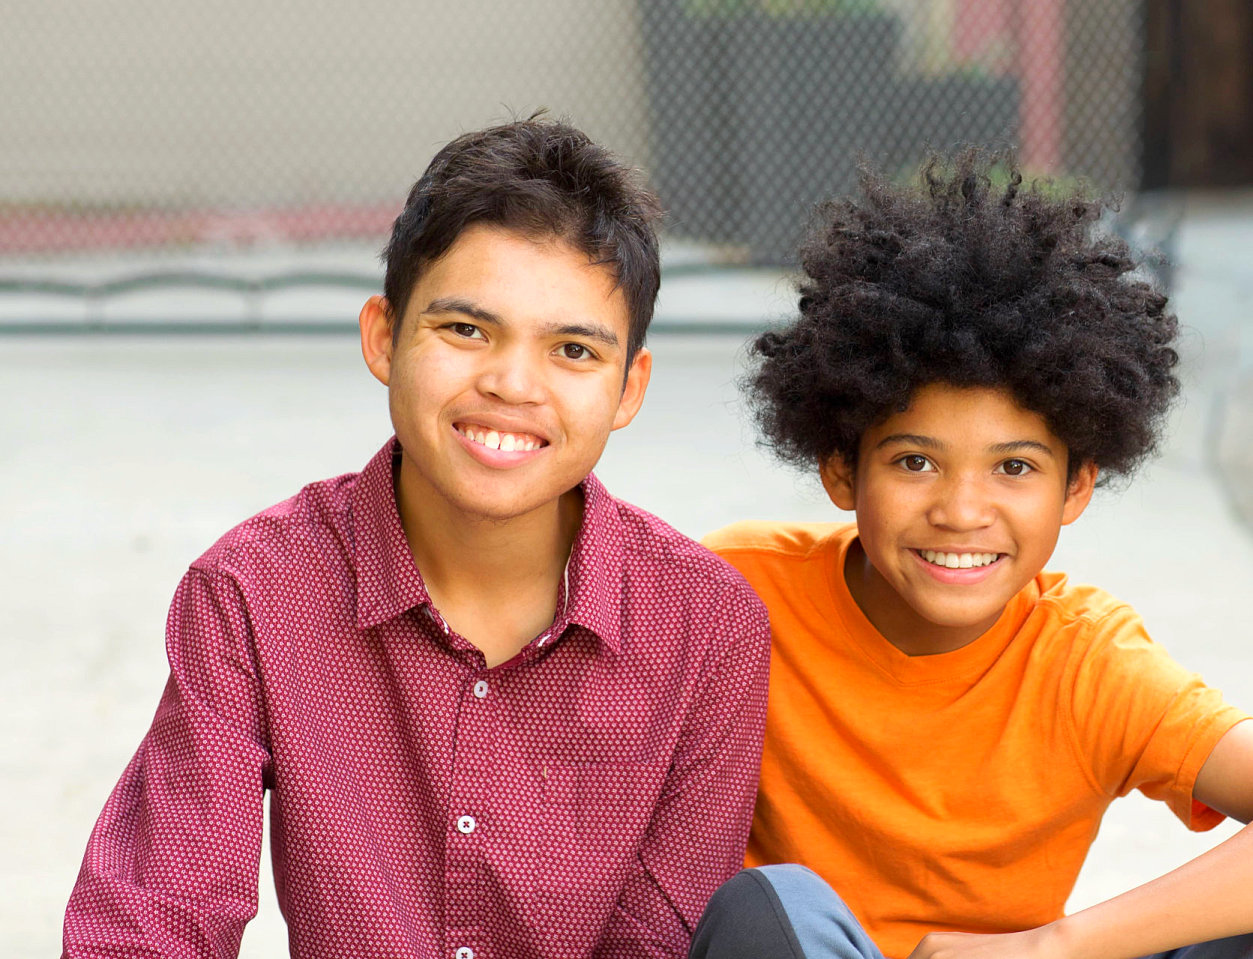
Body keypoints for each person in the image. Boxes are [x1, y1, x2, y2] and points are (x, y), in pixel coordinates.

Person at [62, 116, 771, 959]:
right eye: (466, 329)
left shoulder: (706, 628)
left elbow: (657, 936)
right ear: (383, 336)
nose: (511, 383)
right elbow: (158, 913)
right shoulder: (254, 591)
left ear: (628, 388)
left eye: (572, 349)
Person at [692, 151, 1253, 959]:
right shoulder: (739, 593)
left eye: (1014, 467)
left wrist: (1047, 946)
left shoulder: (1086, 662)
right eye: (914, 461)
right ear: (842, 469)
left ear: (1075, 488)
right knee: (770, 905)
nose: (960, 511)